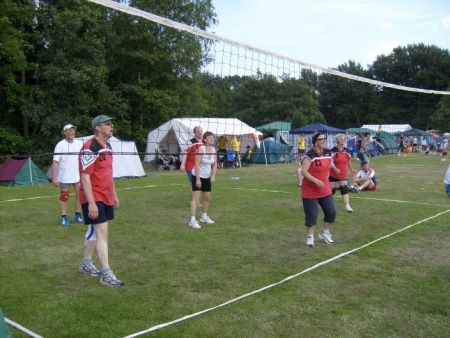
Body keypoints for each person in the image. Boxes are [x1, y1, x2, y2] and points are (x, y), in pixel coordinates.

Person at [78, 114, 123, 287]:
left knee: (95, 233)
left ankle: (86, 263)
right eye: (108, 124)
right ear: (97, 128)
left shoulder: (108, 146)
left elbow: (108, 174)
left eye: (112, 124)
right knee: (103, 233)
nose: (111, 126)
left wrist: (114, 194)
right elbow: (85, 177)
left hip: (105, 195)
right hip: (94, 196)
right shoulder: (90, 147)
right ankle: (106, 273)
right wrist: (91, 202)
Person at [301, 132, 338, 248]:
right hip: (310, 190)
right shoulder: (309, 155)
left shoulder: (328, 152)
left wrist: (336, 169)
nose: (324, 140)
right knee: (312, 214)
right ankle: (310, 237)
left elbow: (330, 163)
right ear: (315, 141)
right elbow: (304, 172)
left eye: (324, 139)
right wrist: (315, 180)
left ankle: (325, 232)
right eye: (321, 139)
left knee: (331, 212)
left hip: (325, 189)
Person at [52, 124, 84, 227]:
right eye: (69, 131)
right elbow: (56, 162)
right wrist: (54, 177)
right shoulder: (60, 145)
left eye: (73, 131)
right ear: (65, 133)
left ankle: (78, 215)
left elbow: (83, 159)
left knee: (80, 195)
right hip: (64, 176)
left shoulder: (79, 143)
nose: (71, 133)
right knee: (64, 196)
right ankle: (64, 217)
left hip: (77, 176)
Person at [189, 131, 217, 229]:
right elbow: (196, 164)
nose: (212, 139)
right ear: (205, 139)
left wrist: (213, 175)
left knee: (207, 198)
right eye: (209, 137)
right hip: (197, 176)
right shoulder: (201, 148)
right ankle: (192, 220)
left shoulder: (213, 149)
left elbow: (215, 164)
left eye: (212, 137)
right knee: (195, 199)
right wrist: (197, 179)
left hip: (206, 177)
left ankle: (204, 216)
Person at [330, 134, 356, 213]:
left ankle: (347, 206)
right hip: (333, 173)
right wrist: (335, 168)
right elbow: (329, 162)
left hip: (343, 173)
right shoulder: (332, 151)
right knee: (331, 190)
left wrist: (352, 170)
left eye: (343, 139)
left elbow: (348, 161)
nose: (342, 140)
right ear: (337, 141)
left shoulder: (347, 150)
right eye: (340, 139)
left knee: (344, 188)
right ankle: (326, 204)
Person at [180, 126, 204, 206]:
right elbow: (185, 153)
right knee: (195, 184)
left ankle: (197, 201)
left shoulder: (204, 142)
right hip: (191, 167)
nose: (200, 132)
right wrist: (182, 164)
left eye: (201, 131)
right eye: (198, 131)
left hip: (201, 167)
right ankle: (195, 201)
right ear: (195, 132)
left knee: (200, 184)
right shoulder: (190, 142)